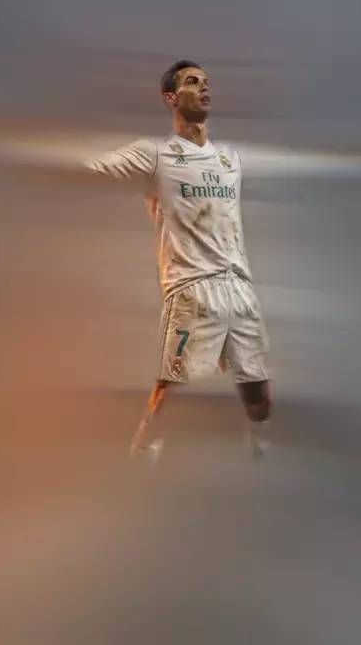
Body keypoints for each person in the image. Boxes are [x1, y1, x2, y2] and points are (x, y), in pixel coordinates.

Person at [85, 60, 272, 462]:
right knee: (173, 389)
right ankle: (142, 456)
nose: (204, 88)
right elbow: (95, 168)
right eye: (192, 82)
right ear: (171, 98)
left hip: (239, 287)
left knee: (257, 390)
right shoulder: (156, 154)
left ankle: (262, 453)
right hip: (192, 289)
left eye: (206, 82)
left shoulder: (229, 159)